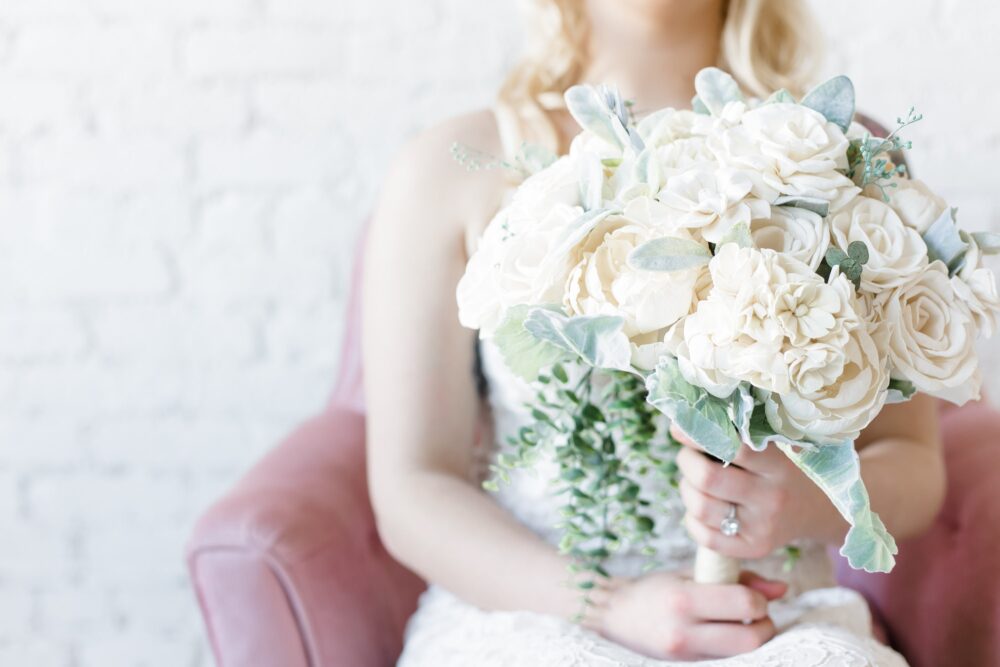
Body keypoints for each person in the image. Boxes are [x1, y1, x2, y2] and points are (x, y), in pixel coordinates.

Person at [362, 1, 944, 663]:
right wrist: (610, 604)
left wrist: (802, 503)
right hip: (529, 606)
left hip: (773, 613)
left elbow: (914, 461)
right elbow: (412, 486)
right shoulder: (447, 168)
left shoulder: (844, 156)